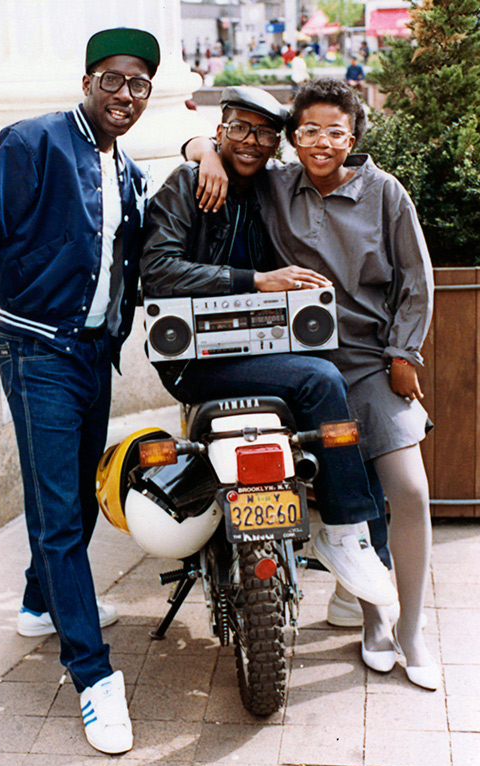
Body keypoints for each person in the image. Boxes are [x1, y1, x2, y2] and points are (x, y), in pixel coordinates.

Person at [0, 27, 161, 753]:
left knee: (74, 504)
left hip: (96, 358)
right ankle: (92, 677)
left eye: (141, 86)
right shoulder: (31, 143)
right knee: (61, 515)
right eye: (115, 81)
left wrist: (201, 150)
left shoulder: (127, 172)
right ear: (89, 81)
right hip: (36, 351)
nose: (127, 96)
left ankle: (40, 602)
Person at [187, 79, 439, 689]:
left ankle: (412, 628)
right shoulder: (276, 185)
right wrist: (206, 151)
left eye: (334, 131)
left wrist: (404, 352)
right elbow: (208, 142)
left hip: (371, 360)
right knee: (340, 488)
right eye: (307, 132)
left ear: (352, 137)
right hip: (299, 361)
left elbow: (417, 277)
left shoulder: (385, 194)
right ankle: (375, 620)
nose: (320, 143)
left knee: (407, 488)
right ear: (292, 139)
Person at [141, 85, 398, 614]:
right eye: (238, 128)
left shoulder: (270, 191)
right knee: (322, 383)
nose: (251, 141)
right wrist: (253, 280)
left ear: (276, 144)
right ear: (221, 130)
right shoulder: (186, 186)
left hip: (257, 350)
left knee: (340, 411)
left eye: (264, 132)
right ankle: (346, 531)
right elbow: (159, 270)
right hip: (193, 361)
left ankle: (363, 551)